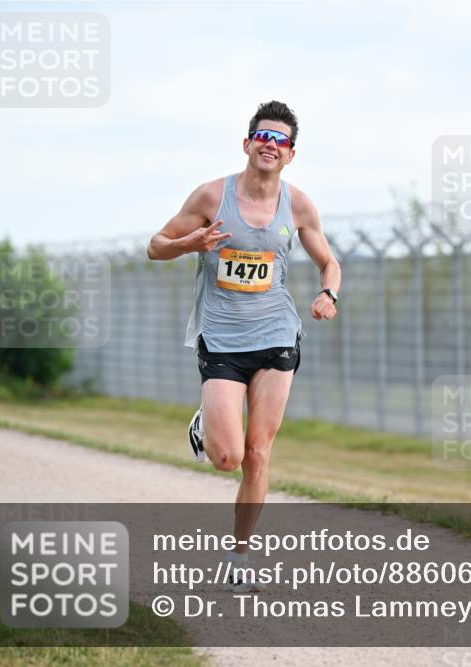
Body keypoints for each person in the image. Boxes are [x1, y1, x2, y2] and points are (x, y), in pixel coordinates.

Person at [146, 100, 340, 592]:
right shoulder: (213, 196)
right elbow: (155, 245)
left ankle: (241, 556)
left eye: (280, 140)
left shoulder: (298, 206)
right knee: (228, 457)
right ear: (248, 143)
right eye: (263, 136)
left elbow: (328, 262)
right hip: (223, 339)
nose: (270, 145)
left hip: (277, 333)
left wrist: (328, 293)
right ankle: (208, 422)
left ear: (291, 154)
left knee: (258, 453)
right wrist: (192, 243)